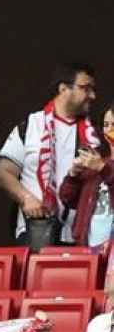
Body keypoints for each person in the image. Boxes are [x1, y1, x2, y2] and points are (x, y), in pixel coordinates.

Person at [0, 63, 100, 248]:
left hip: (80, 235)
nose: (92, 96)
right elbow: (4, 173)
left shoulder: (94, 134)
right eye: (86, 88)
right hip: (36, 230)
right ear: (63, 88)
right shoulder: (31, 125)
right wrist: (26, 198)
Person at [60, 104, 114, 250]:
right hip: (88, 245)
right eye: (106, 125)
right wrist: (73, 175)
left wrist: (103, 169)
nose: (109, 130)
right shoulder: (96, 159)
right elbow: (68, 199)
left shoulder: (99, 164)